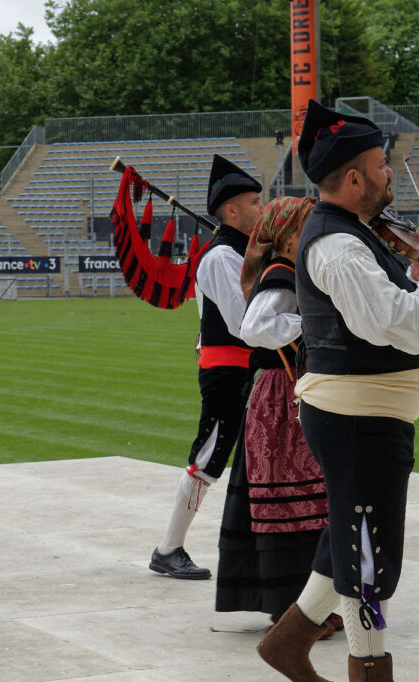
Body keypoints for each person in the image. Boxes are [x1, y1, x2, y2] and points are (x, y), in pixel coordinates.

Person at [256, 100, 419, 682]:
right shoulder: (339, 246)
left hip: (367, 412)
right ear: (355, 178)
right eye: (382, 167)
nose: (391, 176)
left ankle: (288, 641)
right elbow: (392, 326)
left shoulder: (354, 238)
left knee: (349, 535)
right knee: (369, 547)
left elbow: (390, 312)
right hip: (357, 415)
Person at [214, 197, 340, 637]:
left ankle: (305, 605)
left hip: (291, 392)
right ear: (288, 235)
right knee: (290, 501)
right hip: (280, 397)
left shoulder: (290, 271)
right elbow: (254, 327)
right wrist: (312, 322)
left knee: (308, 501)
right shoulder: (280, 273)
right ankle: (293, 610)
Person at [149, 156, 264, 580]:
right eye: (254, 201)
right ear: (231, 210)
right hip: (228, 370)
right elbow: (244, 324)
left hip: (246, 369)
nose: (262, 208)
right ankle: (169, 548)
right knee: (209, 458)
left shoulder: (242, 251)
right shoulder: (220, 258)